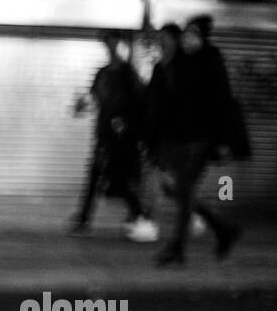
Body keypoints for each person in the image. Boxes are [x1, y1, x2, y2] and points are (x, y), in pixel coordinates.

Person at [147, 15, 245, 266]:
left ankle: (177, 248)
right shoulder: (177, 64)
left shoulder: (212, 63)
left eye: (194, 35)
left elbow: (223, 103)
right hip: (177, 139)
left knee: (184, 191)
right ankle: (223, 228)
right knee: (176, 190)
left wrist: (223, 141)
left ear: (203, 38)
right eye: (186, 35)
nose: (188, 40)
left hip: (200, 139)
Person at [68, 31, 156, 243]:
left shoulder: (128, 74)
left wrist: (127, 126)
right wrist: (82, 105)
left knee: (118, 178)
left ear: (122, 46)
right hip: (104, 134)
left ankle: (139, 212)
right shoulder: (103, 73)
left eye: (115, 44)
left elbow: (139, 103)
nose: (111, 49)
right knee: (97, 174)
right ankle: (84, 218)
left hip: (122, 139)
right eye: (108, 44)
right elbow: (93, 99)